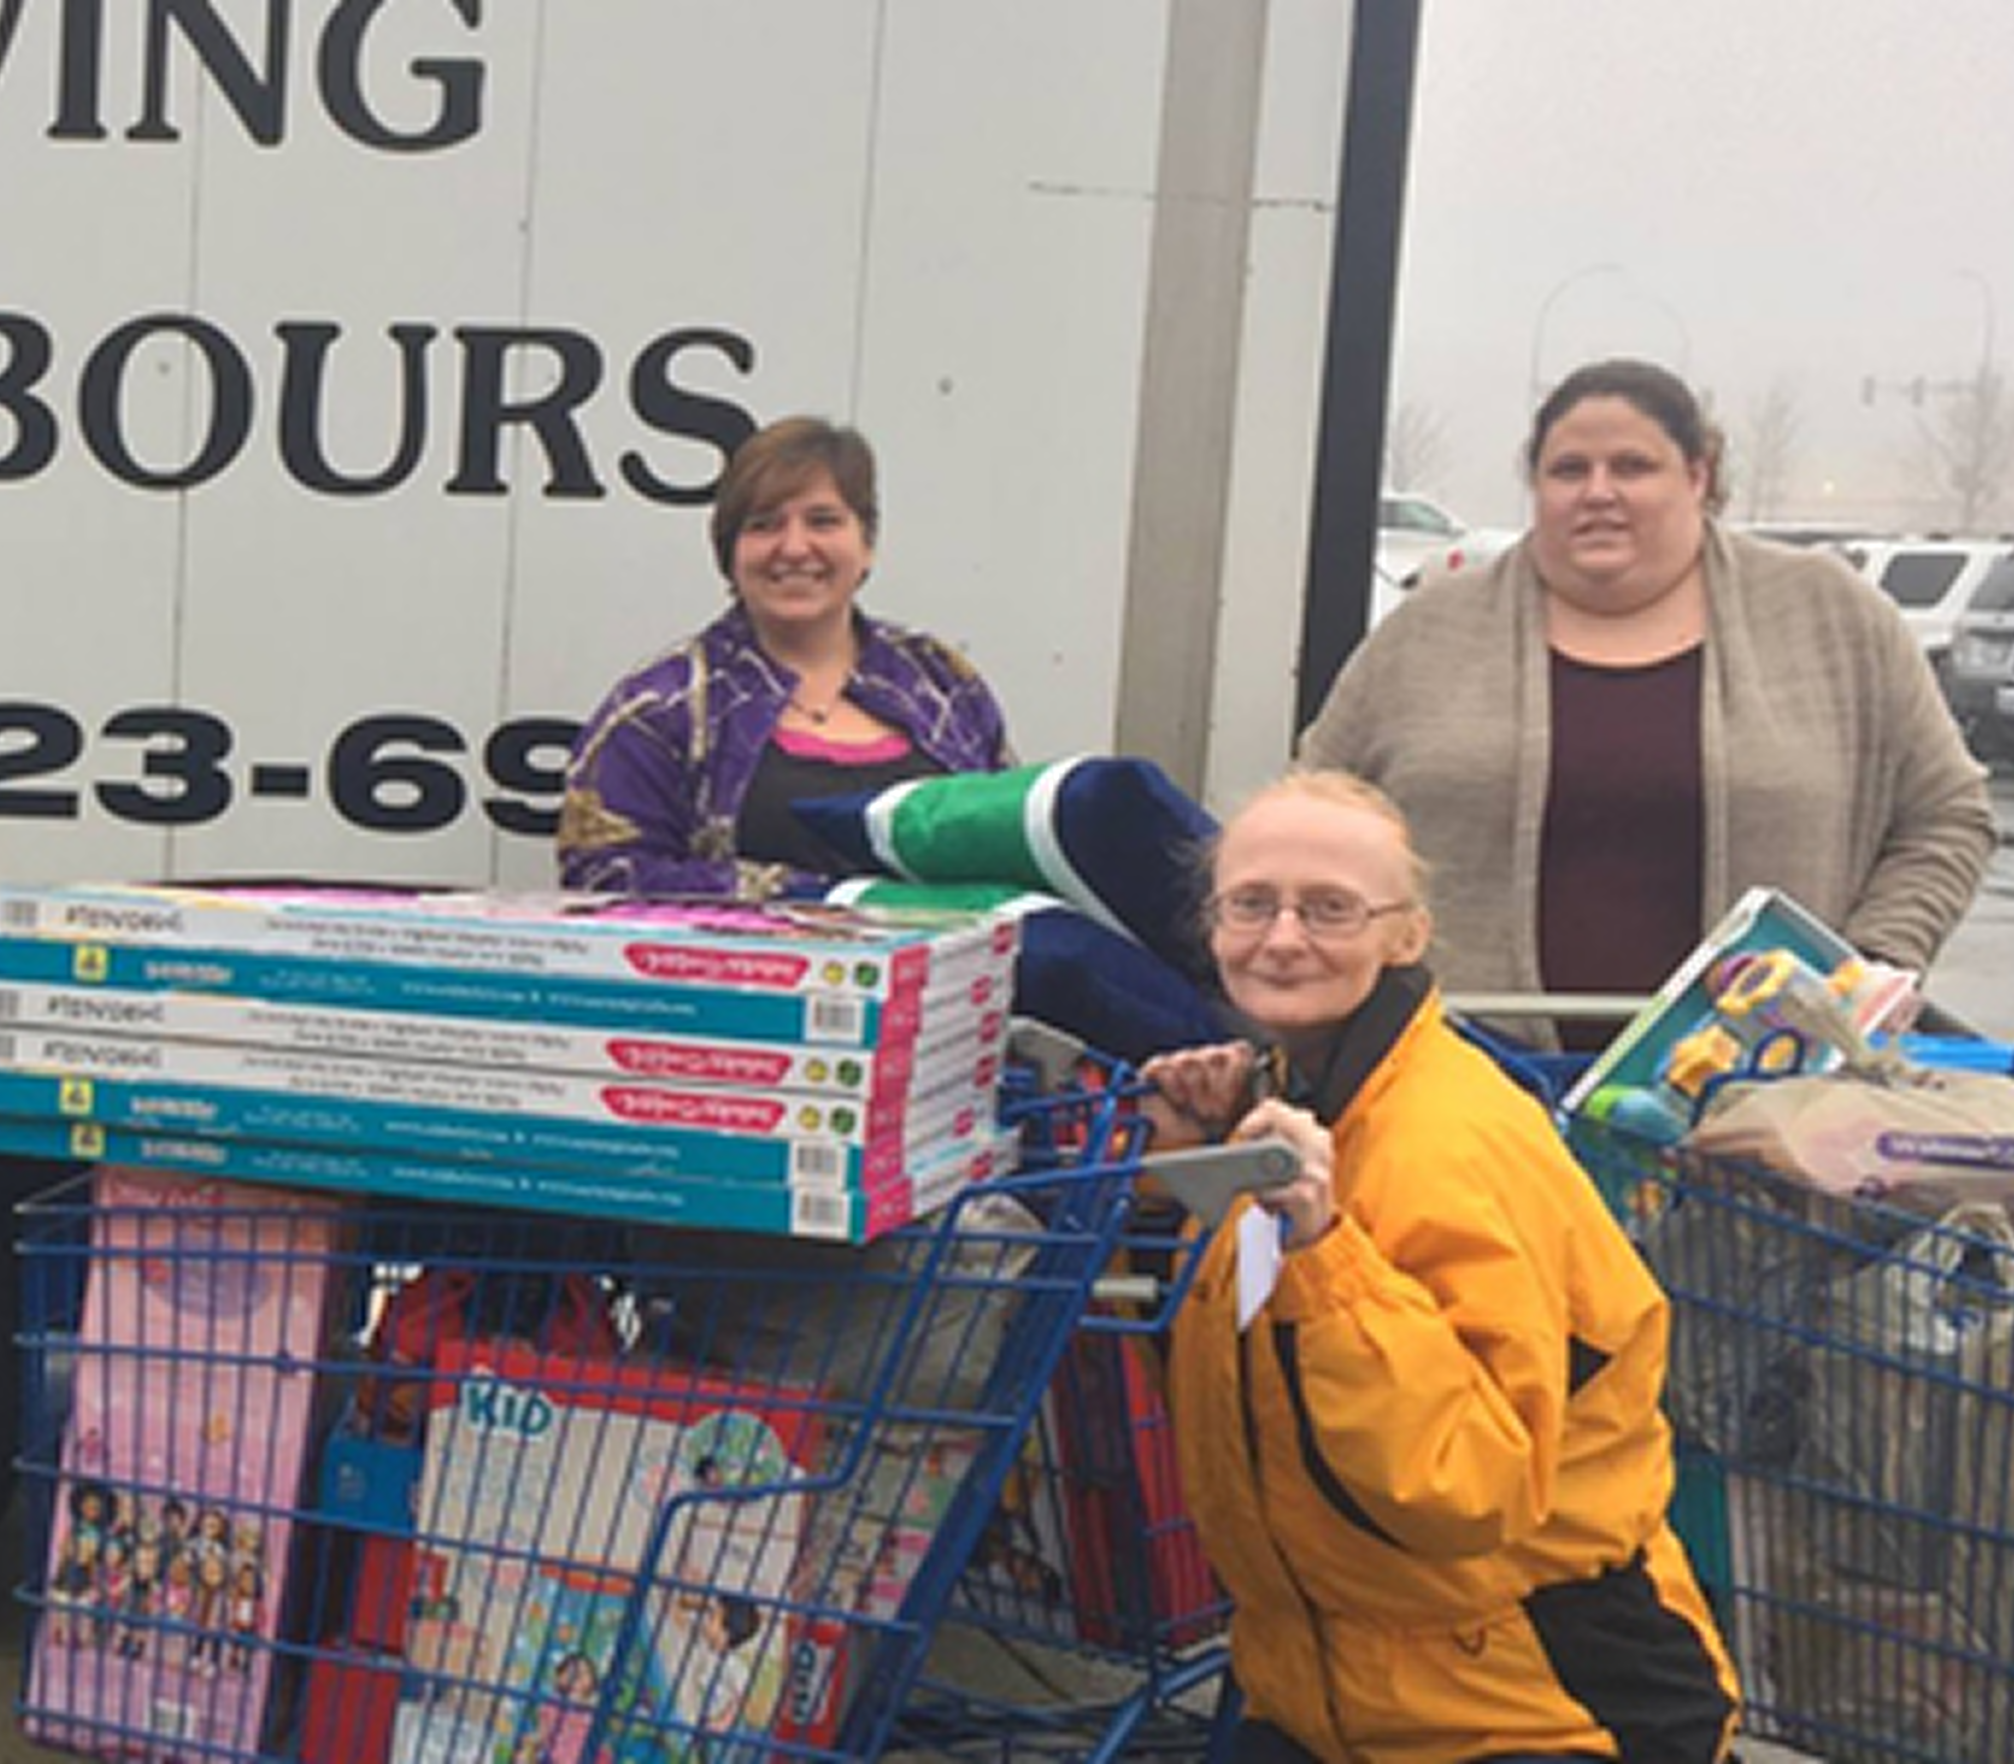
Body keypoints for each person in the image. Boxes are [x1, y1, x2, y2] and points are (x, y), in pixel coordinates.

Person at [1138, 770, 1738, 1763]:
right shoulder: (1305, 1104)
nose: (1282, 938)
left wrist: (1322, 1252)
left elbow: (1462, 1486)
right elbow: (1258, 1391)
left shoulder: (1449, 1142)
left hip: (1535, 1703)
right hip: (1334, 1685)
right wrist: (1191, 1169)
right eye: (1251, 903)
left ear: (1406, 934)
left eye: (1330, 909)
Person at [1305, 358, 1991, 1049]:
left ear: (1699, 477)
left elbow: (1948, 817)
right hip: (1462, 1085)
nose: (1598, 492)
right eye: (1568, 470)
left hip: (1763, 1091)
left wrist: (1871, 965)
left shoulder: (1832, 617)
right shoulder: (1426, 632)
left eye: (1633, 467)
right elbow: (1309, 822)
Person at [558, 415, 1015, 899]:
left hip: (945, 975)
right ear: (730, 553)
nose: (794, 547)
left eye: (823, 521)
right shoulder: (657, 708)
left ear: (867, 545)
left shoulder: (942, 681)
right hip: (726, 974)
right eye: (764, 525)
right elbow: (602, 881)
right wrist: (819, 901)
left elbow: (1007, 847)